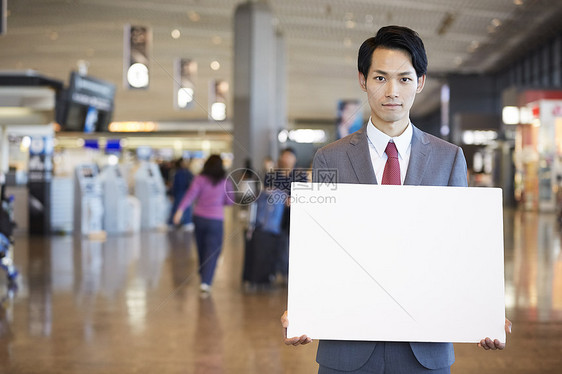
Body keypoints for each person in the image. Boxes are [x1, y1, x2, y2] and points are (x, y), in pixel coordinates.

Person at [281, 25, 512, 373]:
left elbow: (460, 248)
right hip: (347, 348)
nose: (392, 91)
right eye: (380, 78)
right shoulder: (330, 157)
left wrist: (481, 312)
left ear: (420, 82)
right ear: (363, 80)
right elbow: (319, 245)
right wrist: (302, 305)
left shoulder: (449, 158)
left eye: (404, 79)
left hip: (424, 348)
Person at [173, 154, 233, 294]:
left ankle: (203, 273)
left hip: (199, 218)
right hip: (216, 220)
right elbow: (230, 201)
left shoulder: (199, 179)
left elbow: (190, 195)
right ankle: (206, 281)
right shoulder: (224, 182)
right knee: (212, 250)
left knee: (201, 248)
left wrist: (179, 211)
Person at [169, 157, 194, 229]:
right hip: (182, 192)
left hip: (181, 193)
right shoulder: (183, 172)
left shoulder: (178, 172)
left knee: (179, 207)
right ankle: (186, 222)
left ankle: (174, 222)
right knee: (184, 207)